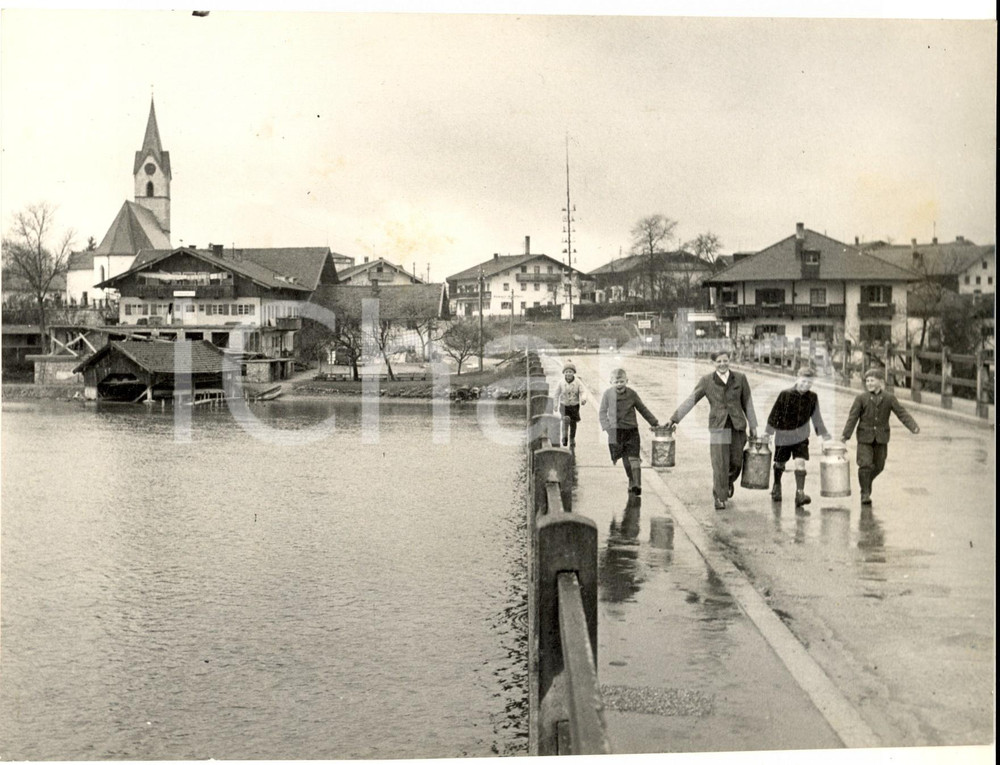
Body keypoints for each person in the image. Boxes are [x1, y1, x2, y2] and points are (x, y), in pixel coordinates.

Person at [669, 350, 757, 511]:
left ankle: (728, 482)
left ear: (729, 361)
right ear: (713, 363)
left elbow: (748, 403)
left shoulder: (740, 378)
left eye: (725, 361)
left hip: (737, 426)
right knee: (720, 463)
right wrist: (674, 419)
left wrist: (753, 426)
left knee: (737, 462)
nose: (722, 364)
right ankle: (719, 495)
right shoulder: (707, 381)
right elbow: (691, 399)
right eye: (719, 361)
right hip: (719, 426)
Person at [841, 367, 920, 504]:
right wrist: (845, 435)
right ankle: (865, 493)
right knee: (865, 465)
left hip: (881, 438)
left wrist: (913, 426)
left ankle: (866, 482)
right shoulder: (861, 398)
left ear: (880, 382)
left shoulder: (889, 398)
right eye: (867, 381)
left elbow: (901, 413)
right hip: (865, 438)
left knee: (879, 466)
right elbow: (852, 418)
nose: (869, 383)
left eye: (872, 380)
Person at [764, 366, 831, 513]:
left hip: (801, 437)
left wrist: (824, 437)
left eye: (809, 383)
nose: (806, 385)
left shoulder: (812, 397)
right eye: (804, 381)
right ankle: (777, 485)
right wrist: (768, 433)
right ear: (797, 378)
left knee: (800, 463)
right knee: (780, 463)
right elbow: (774, 414)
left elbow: (816, 418)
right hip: (783, 436)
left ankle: (799, 494)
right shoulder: (785, 394)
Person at [598, 367, 660, 496]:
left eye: (622, 381)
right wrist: (607, 427)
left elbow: (643, 409)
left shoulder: (632, 394)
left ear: (626, 381)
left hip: (631, 430)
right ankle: (631, 480)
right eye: (616, 382)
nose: (619, 384)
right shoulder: (607, 394)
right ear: (611, 382)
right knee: (626, 460)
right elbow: (602, 412)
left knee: (634, 457)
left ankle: (637, 484)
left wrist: (654, 423)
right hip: (616, 432)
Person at [552, 361, 587, 447]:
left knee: (573, 423)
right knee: (565, 420)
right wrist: (555, 404)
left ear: (573, 373)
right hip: (564, 405)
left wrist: (583, 399)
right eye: (566, 372)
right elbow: (556, 394)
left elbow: (583, 391)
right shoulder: (561, 383)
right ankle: (564, 437)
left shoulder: (578, 382)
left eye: (570, 372)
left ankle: (572, 438)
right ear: (564, 373)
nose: (568, 374)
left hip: (574, 406)